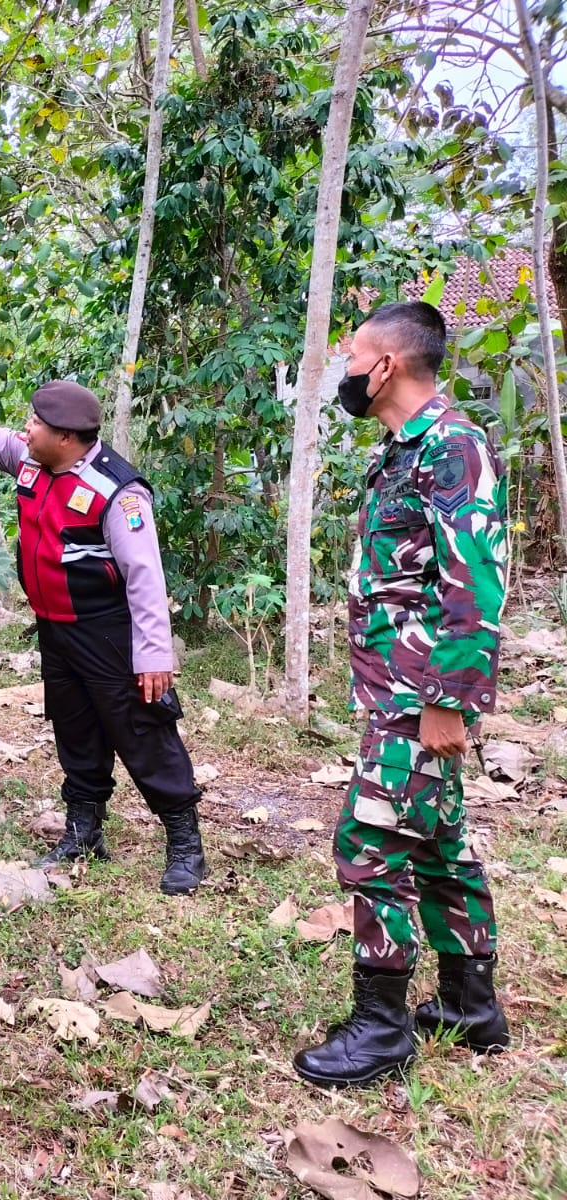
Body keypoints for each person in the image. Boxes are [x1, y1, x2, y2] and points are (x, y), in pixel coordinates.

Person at [0, 374, 207, 895]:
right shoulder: (33, 461)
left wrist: (154, 657)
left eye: (35, 424)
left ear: (67, 438)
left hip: (110, 634)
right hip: (57, 631)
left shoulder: (118, 492)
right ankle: (83, 832)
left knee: (142, 733)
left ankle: (185, 843)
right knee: (74, 728)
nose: (25, 430)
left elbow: (145, 577)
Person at [293, 300, 510, 1089]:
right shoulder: (404, 449)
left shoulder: (452, 446)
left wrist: (449, 700)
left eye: (352, 355)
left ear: (384, 366)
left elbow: (475, 577)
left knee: (372, 843)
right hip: (398, 685)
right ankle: (469, 1006)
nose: (345, 370)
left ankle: (382, 1028)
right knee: (437, 839)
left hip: (420, 691)